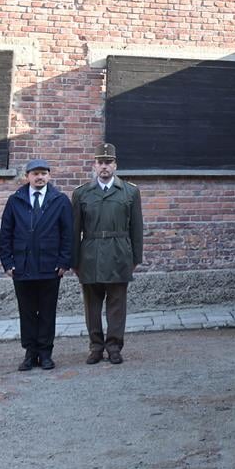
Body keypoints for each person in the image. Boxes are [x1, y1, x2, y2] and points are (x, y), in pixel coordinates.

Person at [72, 143, 143, 365]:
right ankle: (95, 347)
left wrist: (135, 257)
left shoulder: (130, 192)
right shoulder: (82, 193)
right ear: (94, 165)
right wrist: (74, 260)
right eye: (100, 163)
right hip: (90, 254)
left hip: (119, 253)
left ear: (115, 165)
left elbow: (137, 228)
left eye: (108, 162)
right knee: (92, 305)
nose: (104, 167)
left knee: (117, 304)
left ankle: (114, 346)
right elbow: (75, 230)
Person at [0, 159, 73, 371]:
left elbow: (68, 234)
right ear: (27, 177)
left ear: (49, 176)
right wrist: (8, 262)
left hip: (50, 267)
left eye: (43, 173)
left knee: (48, 312)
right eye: (35, 174)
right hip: (22, 267)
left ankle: (46, 352)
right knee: (27, 312)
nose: (39, 177)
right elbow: (6, 233)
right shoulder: (16, 201)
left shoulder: (59, 200)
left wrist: (64, 261)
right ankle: (30, 353)